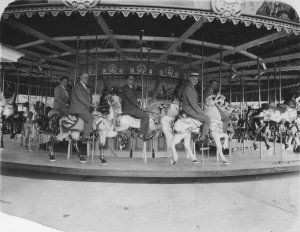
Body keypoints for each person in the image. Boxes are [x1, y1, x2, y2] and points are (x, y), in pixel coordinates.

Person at [182, 73, 211, 142]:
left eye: (197, 79)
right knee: (207, 119)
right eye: (193, 79)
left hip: (190, 108)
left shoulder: (192, 88)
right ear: (189, 79)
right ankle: (203, 138)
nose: (195, 81)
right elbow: (193, 103)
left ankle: (199, 133)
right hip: (189, 109)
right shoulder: (189, 88)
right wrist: (201, 111)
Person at [121, 76, 150, 140]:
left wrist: (139, 104)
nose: (131, 81)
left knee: (143, 113)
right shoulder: (127, 89)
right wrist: (140, 106)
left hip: (131, 108)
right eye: (130, 79)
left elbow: (135, 98)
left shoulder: (131, 89)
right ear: (127, 81)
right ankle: (142, 134)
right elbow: (132, 99)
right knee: (145, 116)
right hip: (130, 109)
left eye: (132, 79)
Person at [69, 73, 93, 142]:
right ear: (81, 78)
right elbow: (81, 98)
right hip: (78, 108)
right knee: (90, 119)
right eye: (85, 77)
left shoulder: (84, 87)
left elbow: (87, 98)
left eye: (87, 78)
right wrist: (90, 105)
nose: (87, 79)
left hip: (82, 107)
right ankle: (85, 137)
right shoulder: (77, 86)